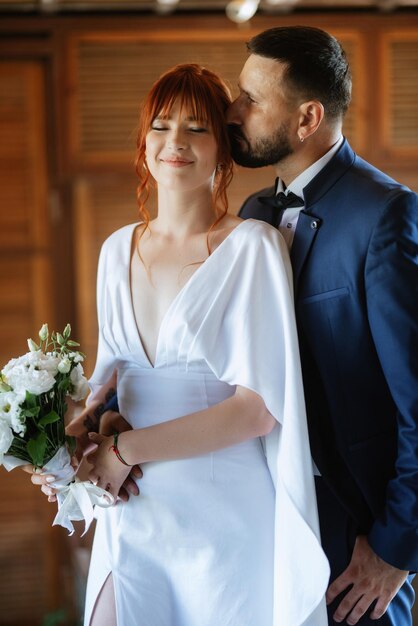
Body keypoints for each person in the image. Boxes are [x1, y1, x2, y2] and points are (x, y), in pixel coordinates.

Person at [30, 63, 329, 626]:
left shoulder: (254, 248)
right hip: (134, 506)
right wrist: (64, 450)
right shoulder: (116, 249)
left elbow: (258, 409)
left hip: (224, 516)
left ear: (223, 148)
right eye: (161, 126)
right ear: (143, 143)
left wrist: (122, 454)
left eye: (197, 128)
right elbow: (104, 384)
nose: (175, 143)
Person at [227, 25, 418, 626]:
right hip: (265, 522)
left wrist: (395, 549)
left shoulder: (385, 214)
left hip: (356, 544)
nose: (233, 109)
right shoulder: (254, 214)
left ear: (308, 118)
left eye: (251, 99)